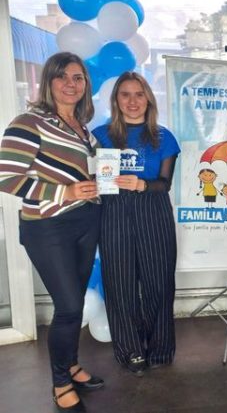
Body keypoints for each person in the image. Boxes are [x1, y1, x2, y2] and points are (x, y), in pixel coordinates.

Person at [0, 52, 102, 412]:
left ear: (85, 84)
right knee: (69, 305)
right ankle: (61, 383)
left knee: (74, 303)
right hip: (47, 226)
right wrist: (66, 192)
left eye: (78, 77)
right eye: (62, 76)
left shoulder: (83, 128)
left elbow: (82, 174)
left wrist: (103, 181)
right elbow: (6, 178)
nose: (70, 84)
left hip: (86, 221)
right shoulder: (29, 123)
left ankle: (71, 364)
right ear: (48, 82)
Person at [93, 72, 180, 376]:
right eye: (125, 94)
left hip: (153, 210)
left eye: (139, 94)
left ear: (148, 99)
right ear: (116, 100)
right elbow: (93, 176)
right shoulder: (100, 136)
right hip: (114, 212)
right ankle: (130, 350)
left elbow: (165, 183)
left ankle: (161, 348)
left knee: (159, 283)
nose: (132, 101)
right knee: (120, 284)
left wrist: (141, 184)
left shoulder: (164, 137)